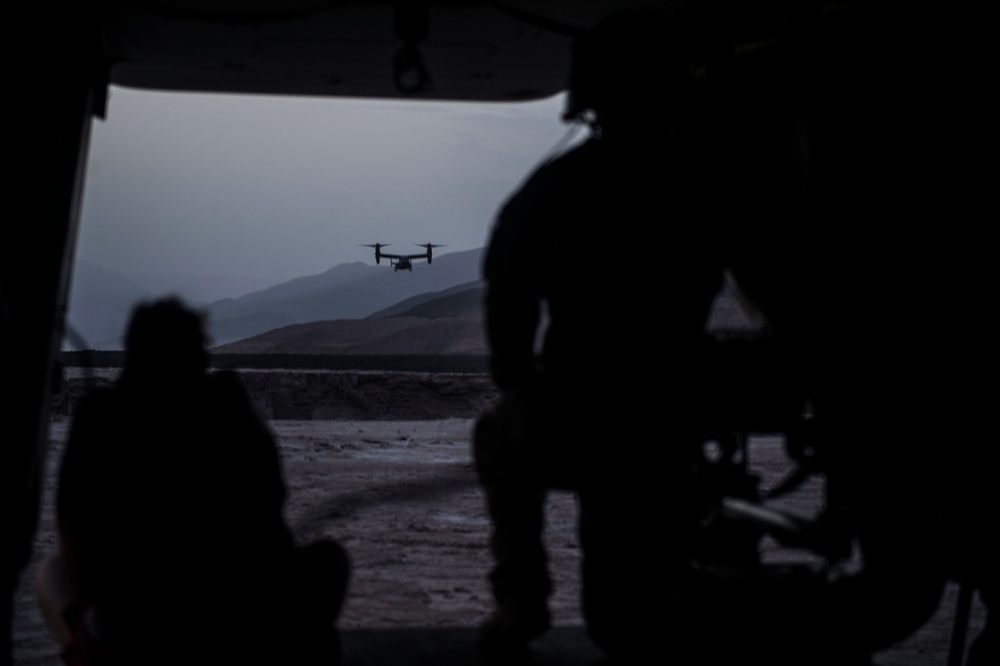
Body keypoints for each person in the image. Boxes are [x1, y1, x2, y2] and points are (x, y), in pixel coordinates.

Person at [473, 9, 726, 659]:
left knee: (496, 436)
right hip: (672, 419)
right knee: (625, 607)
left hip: (579, 415)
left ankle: (522, 601)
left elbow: (508, 294)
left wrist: (517, 377)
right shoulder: (703, 184)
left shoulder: (557, 187)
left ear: (589, 95)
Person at [37, 297, 349, 665]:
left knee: (51, 573)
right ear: (190, 356)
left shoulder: (97, 416)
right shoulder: (224, 414)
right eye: (200, 347)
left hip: (127, 636)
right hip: (236, 629)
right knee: (329, 561)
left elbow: (70, 536)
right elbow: (272, 505)